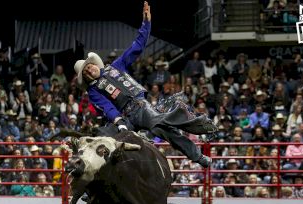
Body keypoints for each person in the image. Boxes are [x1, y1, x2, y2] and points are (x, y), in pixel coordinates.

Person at [73, 1, 215, 168]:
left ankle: (198, 155)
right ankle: (89, 187)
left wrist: (146, 23)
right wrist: (119, 122)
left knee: (165, 129)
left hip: (140, 107)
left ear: (95, 64)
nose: (90, 72)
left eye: (90, 67)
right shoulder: (93, 91)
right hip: (124, 117)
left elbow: (136, 47)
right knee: (105, 141)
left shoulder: (115, 67)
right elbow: (106, 107)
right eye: (86, 73)